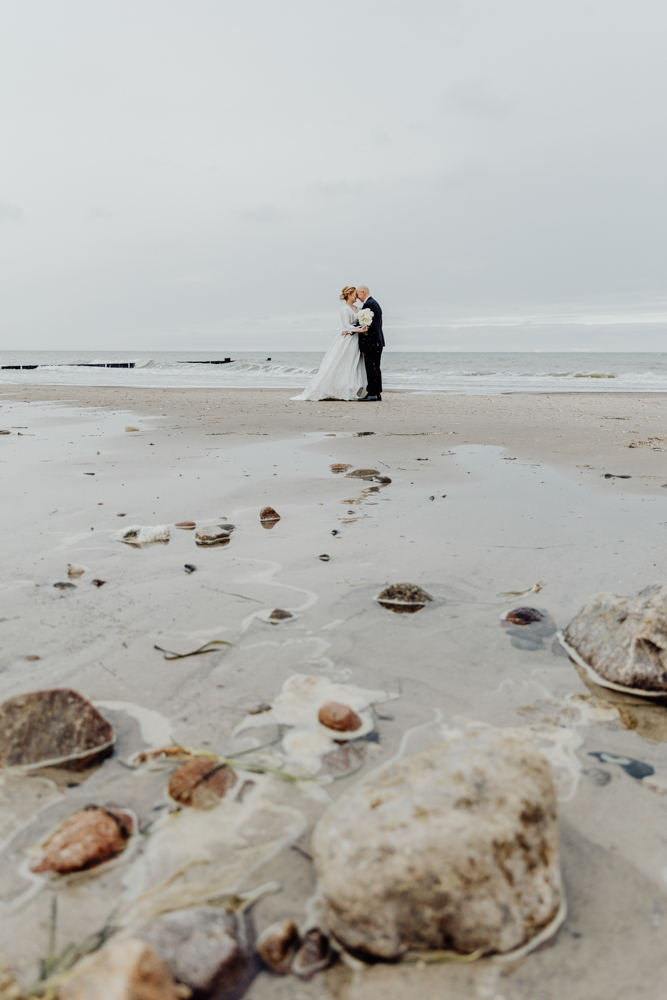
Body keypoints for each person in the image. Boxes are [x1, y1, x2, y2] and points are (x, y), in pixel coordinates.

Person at [291, 286, 367, 401]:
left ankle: (351, 388)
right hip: (348, 340)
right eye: (354, 294)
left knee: (354, 365)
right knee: (343, 364)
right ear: (349, 295)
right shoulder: (344, 310)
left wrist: (363, 327)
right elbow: (346, 325)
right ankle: (338, 388)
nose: (356, 296)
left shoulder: (358, 308)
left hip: (357, 340)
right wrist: (358, 330)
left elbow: (361, 321)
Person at [353, 285, 384, 401]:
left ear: (363, 292)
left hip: (371, 342)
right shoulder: (374, 303)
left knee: (371, 368)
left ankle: (372, 393)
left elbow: (365, 324)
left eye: (357, 294)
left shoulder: (368, 304)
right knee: (376, 367)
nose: (357, 297)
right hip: (377, 341)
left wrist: (351, 329)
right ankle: (377, 393)